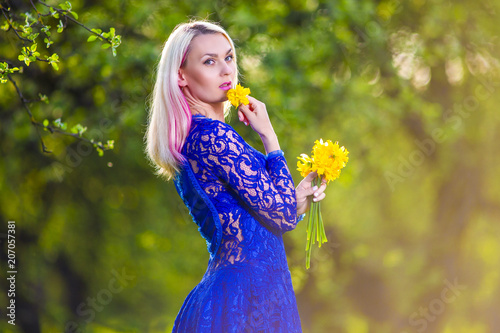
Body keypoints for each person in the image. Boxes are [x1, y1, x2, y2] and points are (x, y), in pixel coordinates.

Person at [145, 20, 327, 332]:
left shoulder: (195, 137)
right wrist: (269, 137)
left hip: (237, 293)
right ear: (181, 75)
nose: (226, 70)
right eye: (209, 61)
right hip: (246, 300)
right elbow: (281, 218)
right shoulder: (214, 136)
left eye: (229, 58)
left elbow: (268, 216)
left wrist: (296, 199)